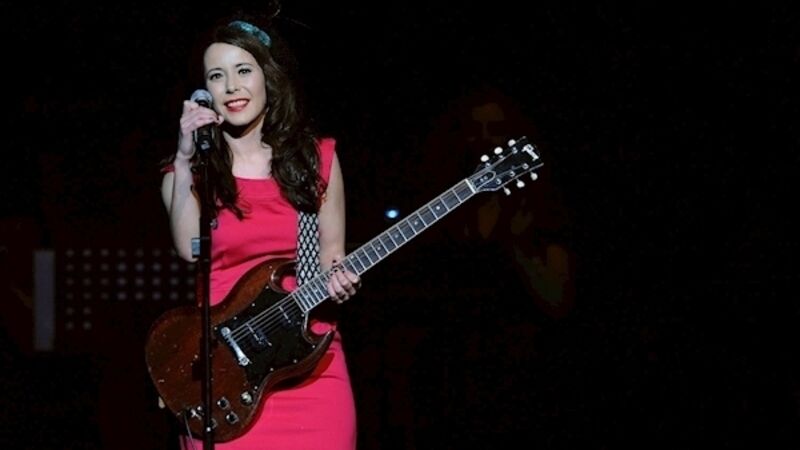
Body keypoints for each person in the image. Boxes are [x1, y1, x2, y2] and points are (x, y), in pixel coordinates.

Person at [159, 14, 361, 450]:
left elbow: (332, 258)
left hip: (311, 366)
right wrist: (184, 158)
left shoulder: (314, 161)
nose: (232, 86)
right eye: (217, 76)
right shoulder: (191, 173)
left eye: (243, 70)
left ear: (268, 78)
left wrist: (342, 281)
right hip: (225, 375)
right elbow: (189, 248)